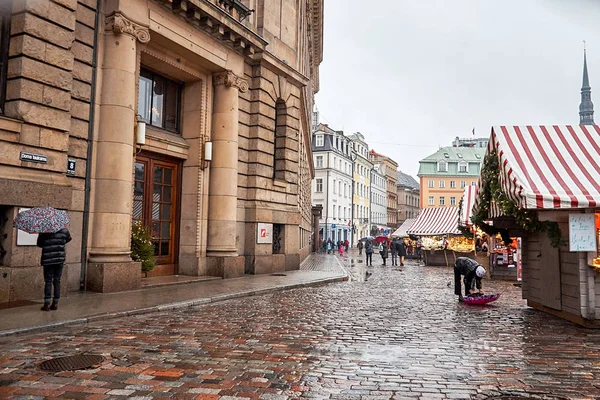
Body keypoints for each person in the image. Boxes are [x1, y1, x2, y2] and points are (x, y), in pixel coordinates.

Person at [37, 227, 72, 311]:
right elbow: (68, 239)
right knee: (57, 280)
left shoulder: (44, 231)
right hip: (59, 259)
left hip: (48, 260)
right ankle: (55, 303)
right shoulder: (64, 231)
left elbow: (39, 244)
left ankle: (47, 303)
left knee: (48, 281)